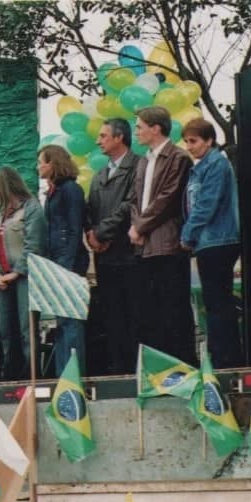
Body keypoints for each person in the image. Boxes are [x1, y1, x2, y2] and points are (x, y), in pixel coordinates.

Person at [128, 105, 196, 365]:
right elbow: (135, 199)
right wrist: (136, 227)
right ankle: (159, 368)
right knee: (151, 310)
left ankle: (183, 364)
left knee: (173, 307)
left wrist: (140, 227)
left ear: (155, 128)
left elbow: (167, 198)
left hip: (168, 244)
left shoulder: (178, 158)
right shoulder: (144, 160)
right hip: (144, 246)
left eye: (140, 127)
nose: (137, 132)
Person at [180, 118, 243, 368]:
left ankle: (226, 360)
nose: (189, 147)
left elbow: (206, 204)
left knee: (218, 303)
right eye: (186, 141)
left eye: (193, 141)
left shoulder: (216, 164)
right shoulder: (202, 166)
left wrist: (188, 234)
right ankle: (223, 357)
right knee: (215, 302)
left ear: (209, 140)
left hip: (218, 240)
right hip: (209, 241)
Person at [85, 118, 141, 376]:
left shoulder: (138, 166)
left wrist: (102, 232)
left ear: (119, 137)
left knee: (134, 315)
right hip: (105, 259)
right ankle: (117, 368)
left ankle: (135, 369)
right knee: (111, 316)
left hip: (130, 256)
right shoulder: (99, 175)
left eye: (103, 135)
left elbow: (130, 206)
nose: (98, 141)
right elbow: (90, 211)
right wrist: (91, 235)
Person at [0, 166, 47, 379]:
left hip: (26, 279)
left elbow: (35, 245)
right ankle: (10, 375)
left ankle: (31, 375)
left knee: (27, 329)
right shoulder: (1, 213)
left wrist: (16, 272)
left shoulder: (32, 208)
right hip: (4, 279)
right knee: (7, 330)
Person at [37, 144, 88, 376]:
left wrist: (66, 265)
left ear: (53, 163)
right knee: (61, 322)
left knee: (71, 321)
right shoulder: (54, 191)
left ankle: (72, 373)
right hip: (55, 262)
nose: (39, 166)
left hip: (68, 263)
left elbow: (75, 229)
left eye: (42, 162)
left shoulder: (71, 190)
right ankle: (62, 373)